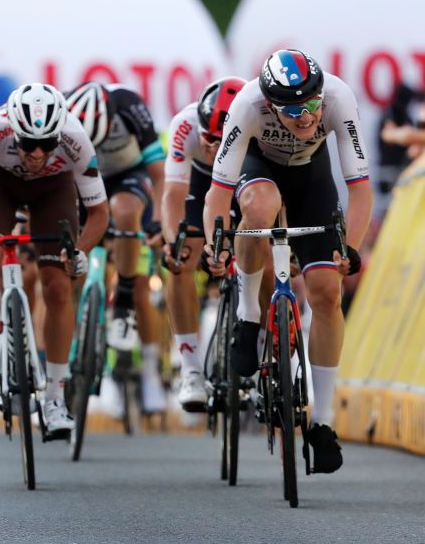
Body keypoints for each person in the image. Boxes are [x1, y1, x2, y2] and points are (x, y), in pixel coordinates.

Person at [203, 49, 371, 474]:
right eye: (292, 110)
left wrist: (349, 247)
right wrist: (214, 244)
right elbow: (218, 194)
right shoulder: (248, 105)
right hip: (261, 171)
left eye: (311, 105)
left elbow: (360, 187)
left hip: (313, 180)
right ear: (271, 103)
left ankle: (324, 422)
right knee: (260, 208)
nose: (305, 117)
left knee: (327, 294)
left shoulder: (336, 96)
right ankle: (247, 313)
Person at [0, 84, 109, 434]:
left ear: (59, 134)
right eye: (28, 143)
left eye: (46, 144)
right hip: (0, 184)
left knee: (56, 286)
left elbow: (99, 212)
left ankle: (55, 397)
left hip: (53, 189)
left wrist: (79, 251)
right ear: (14, 131)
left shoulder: (75, 138)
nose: (36, 152)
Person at [66, 82, 167, 414]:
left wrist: (158, 224)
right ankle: (68, 356)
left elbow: (160, 175)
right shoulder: (65, 110)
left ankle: (149, 368)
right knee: (65, 273)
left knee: (139, 283)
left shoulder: (130, 106)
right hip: (84, 178)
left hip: (128, 176)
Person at [161, 77, 246, 411]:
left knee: (263, 248)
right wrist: (172, 241)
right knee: (180, 259)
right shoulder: (184, 125)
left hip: (241, 178)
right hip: (198, 181)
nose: (212, 147)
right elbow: (172, 195)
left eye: (221, 140)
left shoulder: (254, 130)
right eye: (207, 137)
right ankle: (191, 369)